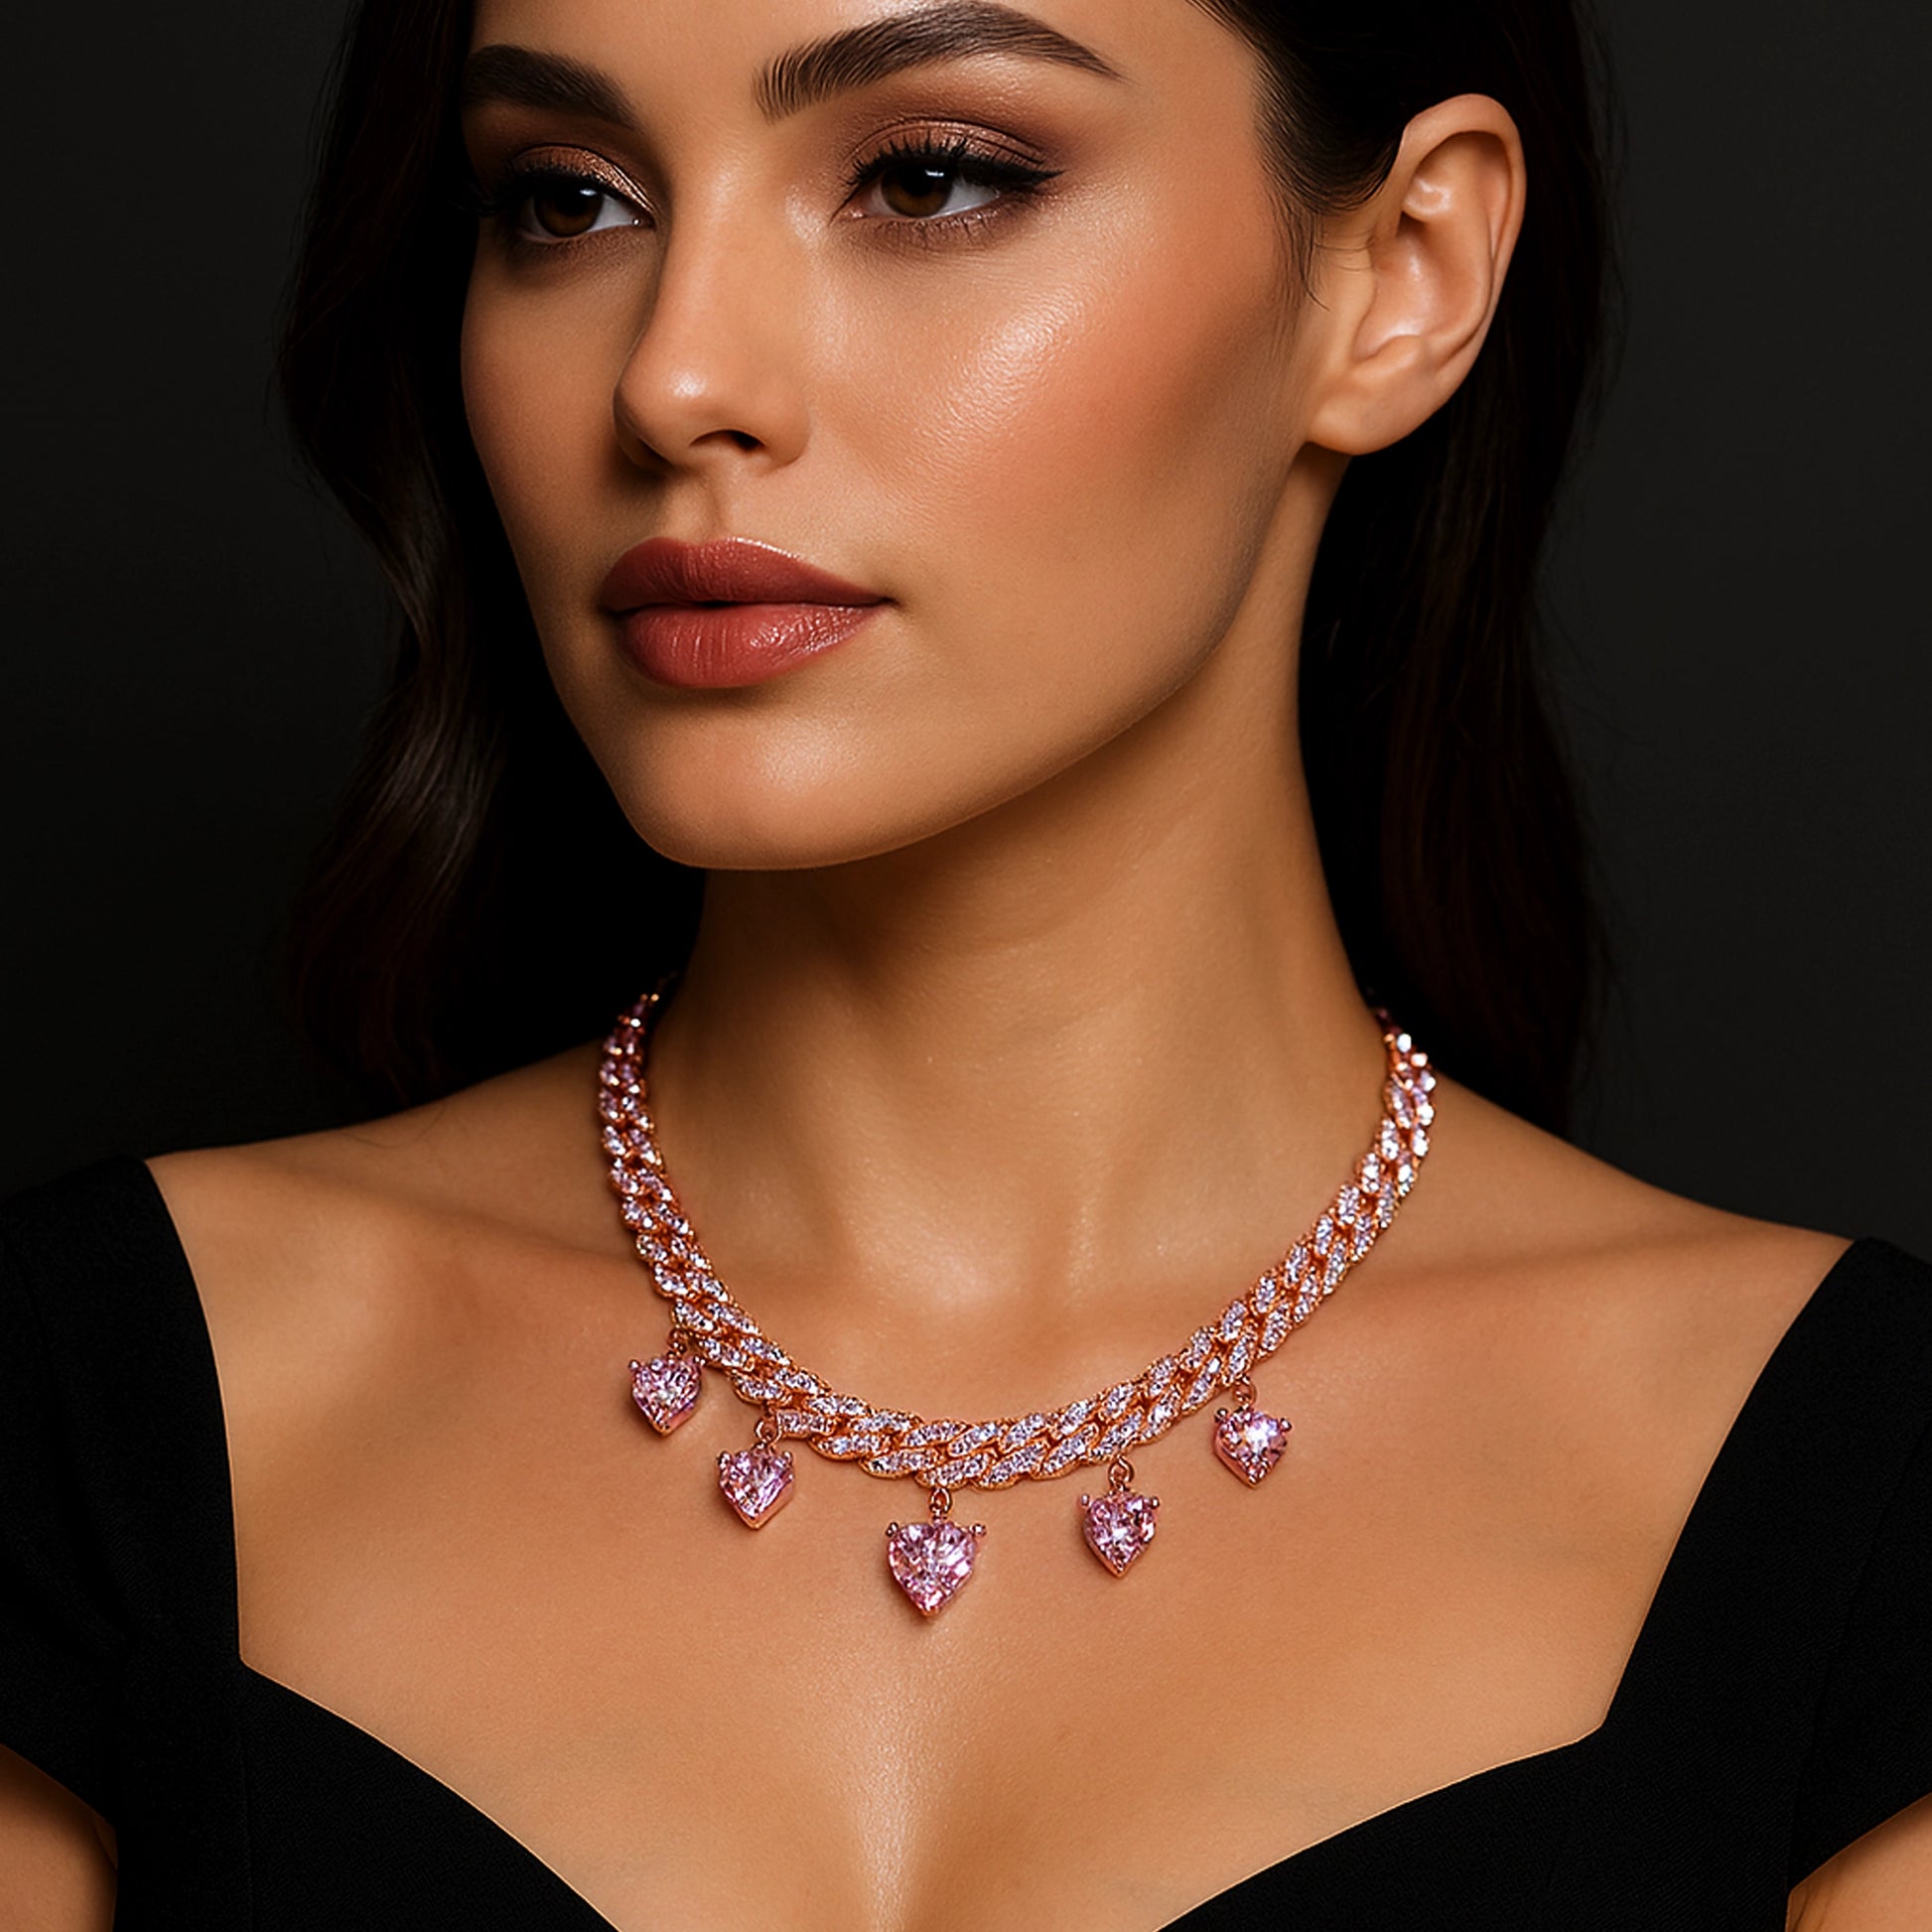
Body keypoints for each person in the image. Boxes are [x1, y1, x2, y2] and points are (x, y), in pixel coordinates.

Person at [4, 0, 1928, 1925]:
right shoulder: (103, 1399)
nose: (674, 380)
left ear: (1399, 276)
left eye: (927, 178)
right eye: (567, 201)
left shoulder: (1850, 1515)